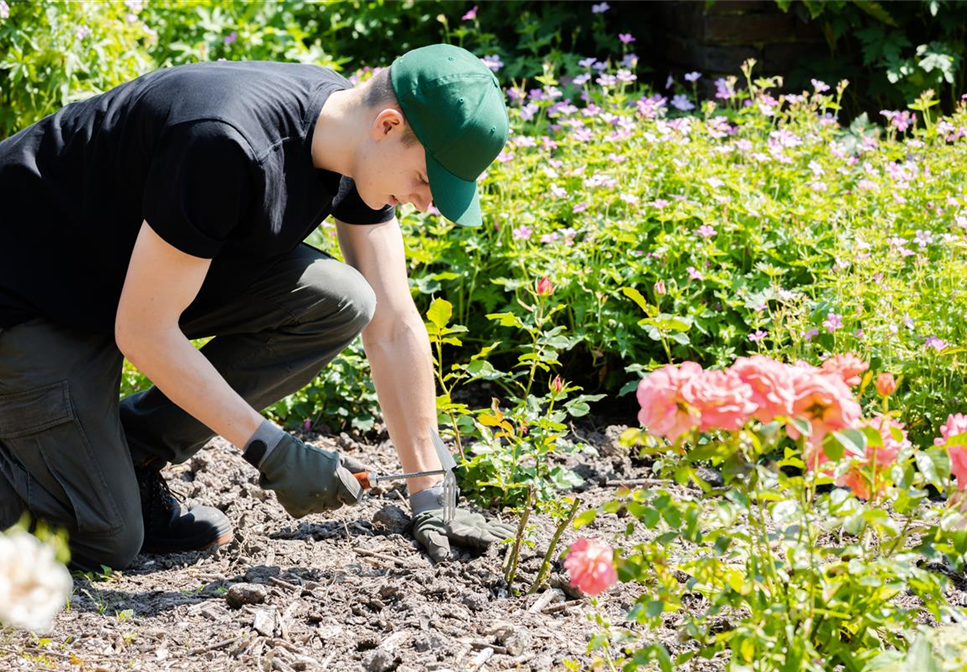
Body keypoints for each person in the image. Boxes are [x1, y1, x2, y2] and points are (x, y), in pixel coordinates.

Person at [0, 43, 516, 571]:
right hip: (28, 295)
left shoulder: (352, 144)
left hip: (114, 279)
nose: (426, 204)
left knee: (342, 299)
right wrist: (272, 448)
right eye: (426, 180)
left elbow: (391, 321)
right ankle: (79, 484)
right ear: (387, 126)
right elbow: (144, 331)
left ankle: (124, 459)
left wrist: (429, 487)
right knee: (106, 537)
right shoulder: (225, 143)